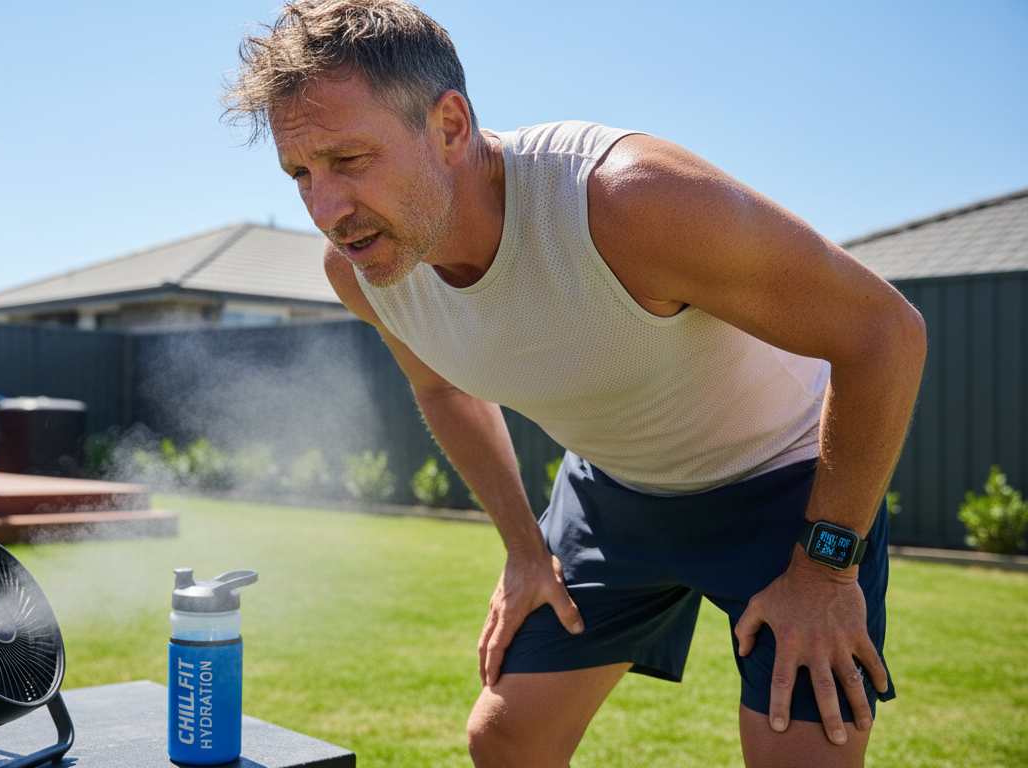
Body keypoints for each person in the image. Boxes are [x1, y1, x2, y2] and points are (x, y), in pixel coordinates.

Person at [224, 2, 926, 766]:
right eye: (301, 173)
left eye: (350, 160)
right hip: (614, 495)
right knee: (507, 738)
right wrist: (525, 550)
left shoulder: (628, 200)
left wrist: (826, 569)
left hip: (784, 481)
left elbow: (885, 334)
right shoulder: (366, 271)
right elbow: (443, 391)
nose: (327, 210)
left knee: (798, 751)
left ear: (451, 126)